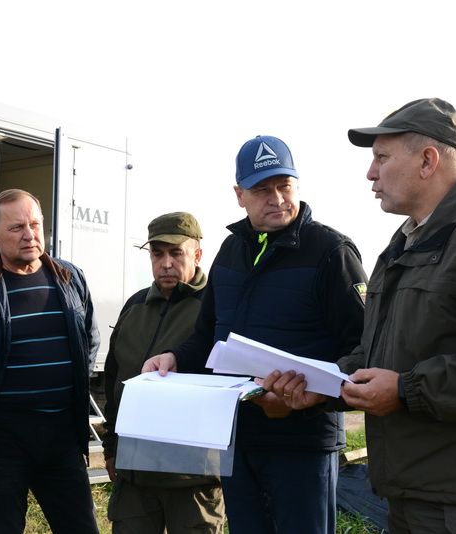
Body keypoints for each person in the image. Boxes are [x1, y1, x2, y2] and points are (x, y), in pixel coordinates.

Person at [266, 98, 456, 533]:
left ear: (427, 160)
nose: (371, 173)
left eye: (381, 158)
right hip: (411, 492)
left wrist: (407, 390)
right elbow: (376, 355)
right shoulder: (402, 245)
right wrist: (320, 388)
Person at [143, 136, 368, 533]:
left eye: (285, 186)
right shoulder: (230, 252)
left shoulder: (331, 252)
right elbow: (207, 337)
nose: (277, 198)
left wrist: (307, 400)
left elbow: (363, 348)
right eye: (262, 189)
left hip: (302, 444)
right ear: (239, 194)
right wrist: (175, 357)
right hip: (239, 438)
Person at [0, 188, 100, 534]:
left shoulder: (70, 278)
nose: (30, 235)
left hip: (61, 439)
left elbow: (89, 340)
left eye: (35, 224)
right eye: (16, 228)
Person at [103, 211, 225, 533]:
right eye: (158, 254)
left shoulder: (217, 308)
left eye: (176, 253)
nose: (166, 263)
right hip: (135, 474)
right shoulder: (135, 306)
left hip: (194, 477)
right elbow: (115, 381)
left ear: (197, 254)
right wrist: (112, 448)